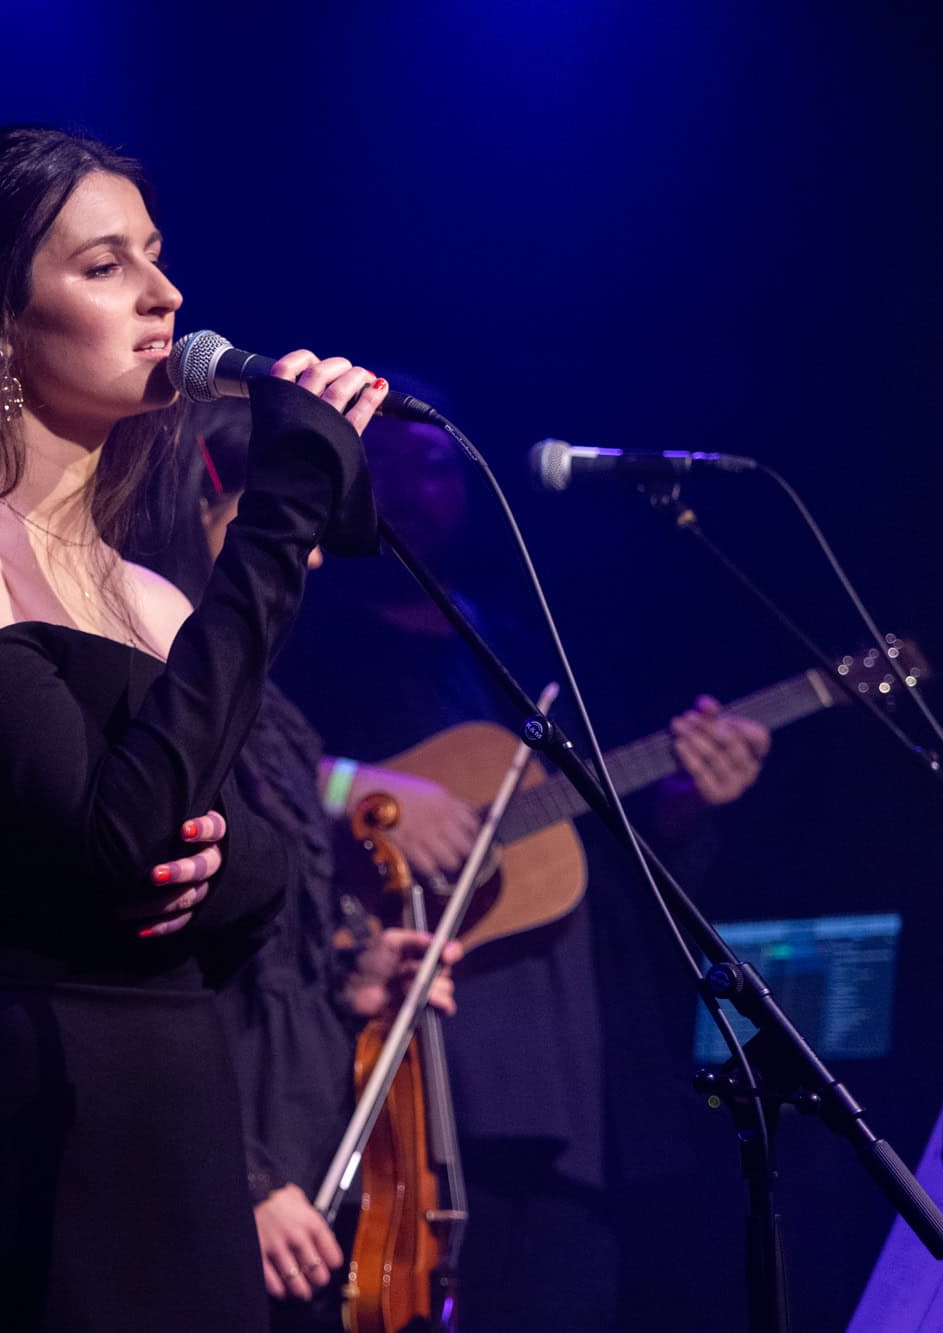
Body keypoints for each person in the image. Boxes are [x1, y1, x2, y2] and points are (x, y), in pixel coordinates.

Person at [0, 125, 391, 1332]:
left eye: (155, 253)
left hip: (183, 1125)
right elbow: (112, 847)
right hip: (31, 1128)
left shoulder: (155, 600)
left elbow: (251, 886)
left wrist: (213, 856)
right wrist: (275, 526)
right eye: (103, 264)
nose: (164, 293)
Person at [167, 397, 771, 1330]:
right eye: (393, 467)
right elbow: (250, 781)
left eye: (439, 466)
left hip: (573, 1061)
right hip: (433, 1063)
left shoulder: (520, 639)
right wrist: (354, 783)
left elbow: (600, 852)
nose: (420, 489)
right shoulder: (298, 633)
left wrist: (688, 805)